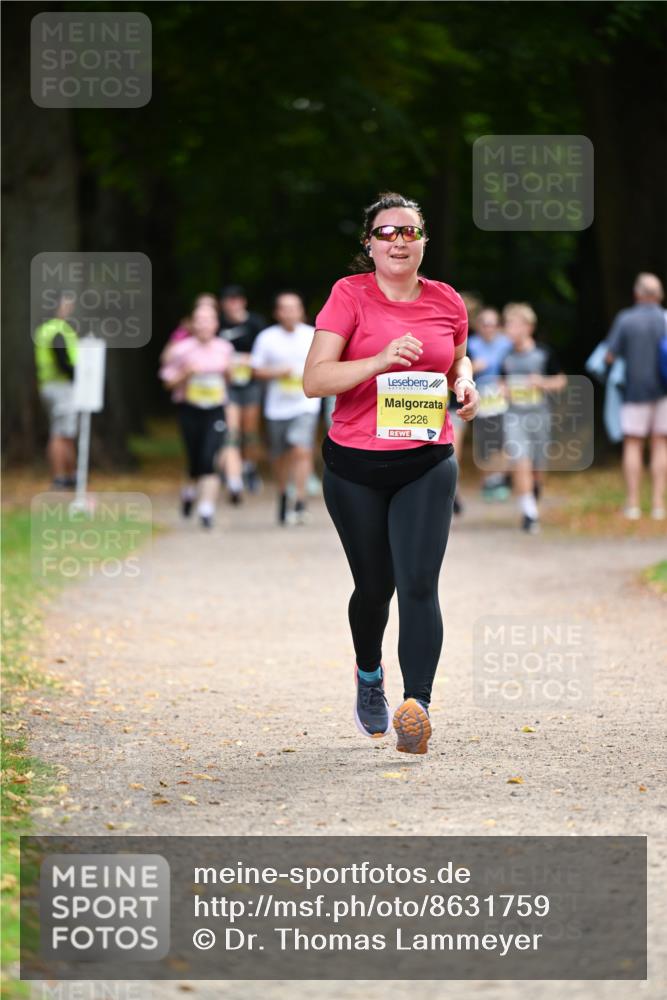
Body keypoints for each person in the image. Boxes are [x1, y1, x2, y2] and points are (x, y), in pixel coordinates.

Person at [303, 191, 479, 755]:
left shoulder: (447, 300)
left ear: (423, 241)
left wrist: (464, 383)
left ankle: (416, 707)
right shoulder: (348, 296)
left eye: (409, 231)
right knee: (376, 587)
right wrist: (379, 361)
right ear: (370, 244)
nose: (399, 241)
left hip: (426, 461)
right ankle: (369, 673)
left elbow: (456, 357)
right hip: (354, 466)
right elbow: (314, 380)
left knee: (419, 584)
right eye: (387, 232)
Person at [159, 301, 233, 529]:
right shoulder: (181, 350)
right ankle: (189, 491)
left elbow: (230, 380)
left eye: (208, 320)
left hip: (215, 410)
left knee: (209, 457)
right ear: (192, 324)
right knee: (195, 458)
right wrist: (186, 374)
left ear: (216, 324)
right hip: (189, 409)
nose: (204, 325)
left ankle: (206, 509)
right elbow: (167, 383)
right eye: (199, 321)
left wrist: (229, 373)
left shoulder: (224, 348)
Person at [250, 291, 320, 525]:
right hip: (277, 407)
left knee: (301, 449)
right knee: (280, 455)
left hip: (305, 403)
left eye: (294, 308)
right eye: (285, 308)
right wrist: (276, 372)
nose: (290, 313)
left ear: (301, 311)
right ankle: (282, 493)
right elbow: (255, 370)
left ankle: (300, 501)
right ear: (277, 312)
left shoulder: (313, 335)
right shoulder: (266, 338)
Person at [500, 303, 567, 534]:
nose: (509, 329)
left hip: (539, 415)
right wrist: (502, 390)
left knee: (537, 467)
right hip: (514, 416)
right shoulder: (506, 357)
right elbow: (500, 382)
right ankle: (529, 513)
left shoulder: (544, 353)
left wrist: (542, 382)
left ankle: (534, 493)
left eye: (514, 324)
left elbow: (561, 381)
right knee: (521, 460)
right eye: (508, 324)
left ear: (528, 327)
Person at [605, 273, 667, 520]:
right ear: (659, 294)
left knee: (633, 444)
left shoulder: (626, 320)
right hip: (664, 392)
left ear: (637, 294)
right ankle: (658, 504)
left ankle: (633, 504)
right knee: (661, 444)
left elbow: (609, 356)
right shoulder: (665, 319)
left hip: (634, 391)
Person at [218, 285, 267, 503]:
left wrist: (249, 360)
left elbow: (264, 351)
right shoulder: (219, 324)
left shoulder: (255, 323)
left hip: (250, 383)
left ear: (243, 301)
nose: (233, 304)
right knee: (232, 430)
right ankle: (233, 475)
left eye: (236, 299)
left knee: (250, 431)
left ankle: (250, 467)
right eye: (229, 300)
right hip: (227, 385)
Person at [34, 291, 79, 489]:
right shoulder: (58, 330)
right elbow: (61, 359)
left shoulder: (44, 329)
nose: (70, 308)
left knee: (63, 431)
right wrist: (76, 376)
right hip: (61, 386)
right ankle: (61, 476)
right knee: (61, 434)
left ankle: (69, 475)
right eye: (66, 304)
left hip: (48, 385)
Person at [467, 307, 512, 500]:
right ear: (478, 326)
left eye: (493, 324)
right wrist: (473, 367)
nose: (489, 328)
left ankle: (499, 479)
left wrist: (507, 382)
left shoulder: (506, 343)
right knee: (483, 442)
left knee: (503, 440)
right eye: (485, 324)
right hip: (479, 398)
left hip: (502, 398)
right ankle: (487, 481)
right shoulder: (470, 344)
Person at [449, 292, 482, 515]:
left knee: (453, 450)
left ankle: (453, 492)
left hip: (455, 404)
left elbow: (466, 364)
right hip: (429, 402)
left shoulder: (470, 342)